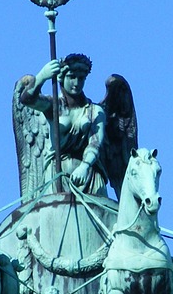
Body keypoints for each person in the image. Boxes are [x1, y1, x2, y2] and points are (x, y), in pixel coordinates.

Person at [19, 54, 108, 195]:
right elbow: (27, 99)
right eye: (71, 77)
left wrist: (85, 166)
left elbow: (95, 143)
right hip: (57, 172)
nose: (76, 83)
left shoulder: (95, 111)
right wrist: (42, 76)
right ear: (61, 77)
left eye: (81, 78)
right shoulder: (53, 106)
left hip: (88, 173)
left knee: (104, 214)